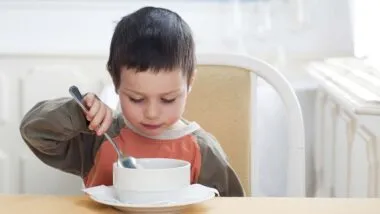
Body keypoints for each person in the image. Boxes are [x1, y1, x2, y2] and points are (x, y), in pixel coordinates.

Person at [19, 6, 244, 197]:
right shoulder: (98, 136)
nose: (152, 113)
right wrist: (79, 114)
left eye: (168, 99)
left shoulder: (202, 151)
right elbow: (35, 132)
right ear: (116, 82)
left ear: (190, 82)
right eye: (136, 99)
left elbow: (234, 207)